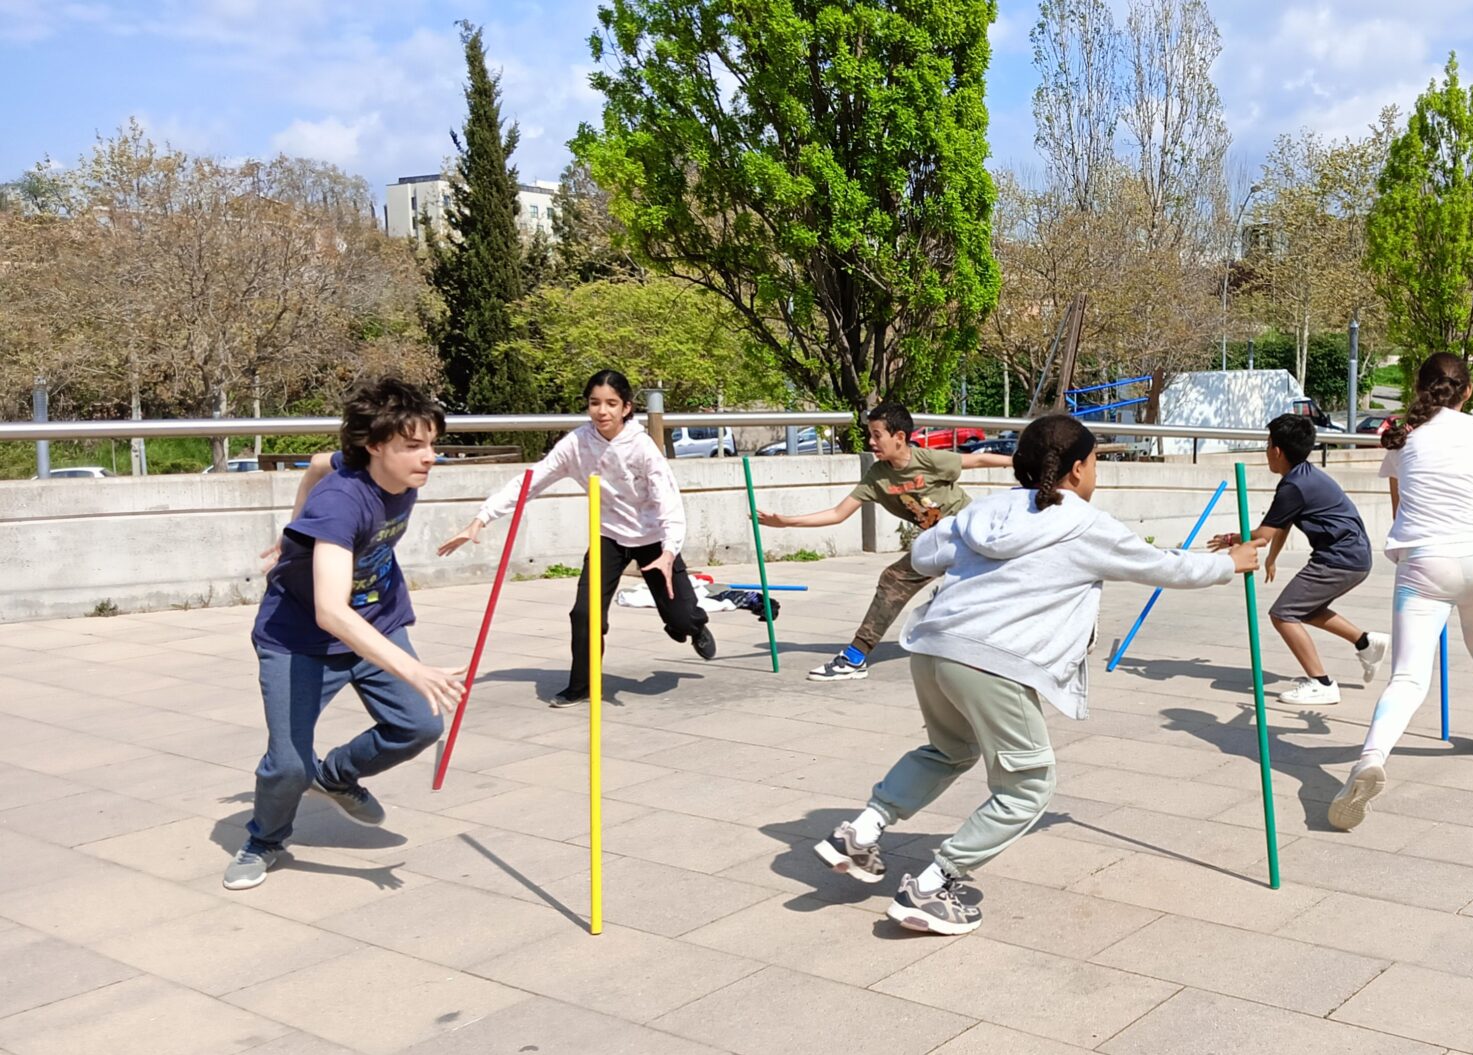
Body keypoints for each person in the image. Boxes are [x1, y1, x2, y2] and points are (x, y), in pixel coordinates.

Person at [812, 414, 1258, 934]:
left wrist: (958, 546)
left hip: (933, 647)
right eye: (1092, 464)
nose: (1094, 475)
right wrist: (1232, 563)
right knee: (1028, 786)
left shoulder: (989, 510)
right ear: (1075, 470)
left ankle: (861, 831)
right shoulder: (1087, 523)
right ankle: (934, 887)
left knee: (947, 750)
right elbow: (1165, 567)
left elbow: (924, 554)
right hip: (991, 661)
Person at [225, 378, 464, 890]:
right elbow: (330, 613)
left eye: (431, 444)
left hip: (377, 620)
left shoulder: (386, 474)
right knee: (288, 765)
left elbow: (315, 462)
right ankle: (264, 840)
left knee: (418, 726)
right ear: (374, 447)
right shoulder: (341, 504)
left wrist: (291, 532)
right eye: (413, 446)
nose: (429, 458)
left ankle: (335, 776)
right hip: (298, 637)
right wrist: (414, 669)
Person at [1328, 352, 1473, 832]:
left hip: (1423, 566)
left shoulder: (1401, 437)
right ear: (1468, 392)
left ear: (1419, 387)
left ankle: (1370, 759)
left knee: (1409, 678)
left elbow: (1403, 514)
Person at [439, 370, 710, 708]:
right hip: (608, 537)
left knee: (681, 619)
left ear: (626, 408)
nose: (602, 411)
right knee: (585, 614)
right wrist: (482, 518)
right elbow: (532, 480)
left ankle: (695, 625)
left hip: (654, 539)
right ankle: (581, 684)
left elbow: (669, 502)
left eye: (611, 404)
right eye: (595, 403)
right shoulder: (577, 443)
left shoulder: (643, 448)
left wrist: (669, 551)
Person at [755, 402, 1011, 682]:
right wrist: (787, 521)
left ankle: (856, 656)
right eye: (871, 435)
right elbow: (838, 513)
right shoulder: (878, 476)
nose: (871, 442)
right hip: (939, 541)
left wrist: (1020, 463)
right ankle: (857, 656)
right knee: (900, 581)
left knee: (901, 580)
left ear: (899, 437)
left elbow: (976, 460)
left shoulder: (927, 460)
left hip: (969, 531)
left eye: (877, 435)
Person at [1206, 413, 1385, 706]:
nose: (1266, 452)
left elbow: (1263, 534)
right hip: (1353, 555)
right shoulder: (1303, 475)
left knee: (1283, 614)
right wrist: (1272, 559)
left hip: (1339, 557)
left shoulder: (1292, 487)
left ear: (1277, 451)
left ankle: (1322, 683)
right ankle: (1366, 642)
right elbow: (1283, 524)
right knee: (1306, 609)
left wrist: (1231, 539)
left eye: (1267, 446)